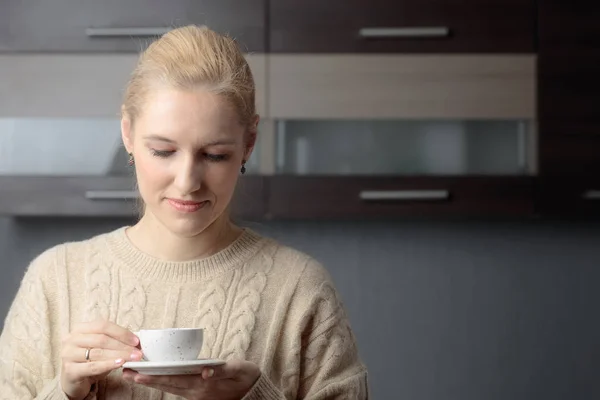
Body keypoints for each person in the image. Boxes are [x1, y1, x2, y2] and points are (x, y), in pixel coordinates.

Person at [0, 25, 369, 399]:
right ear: (127, 132)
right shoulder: (55, 280)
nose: (187, 181)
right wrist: (63, 392)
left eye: (215, 155)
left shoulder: (300, 290)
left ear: (249, 144)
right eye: (163, 151)